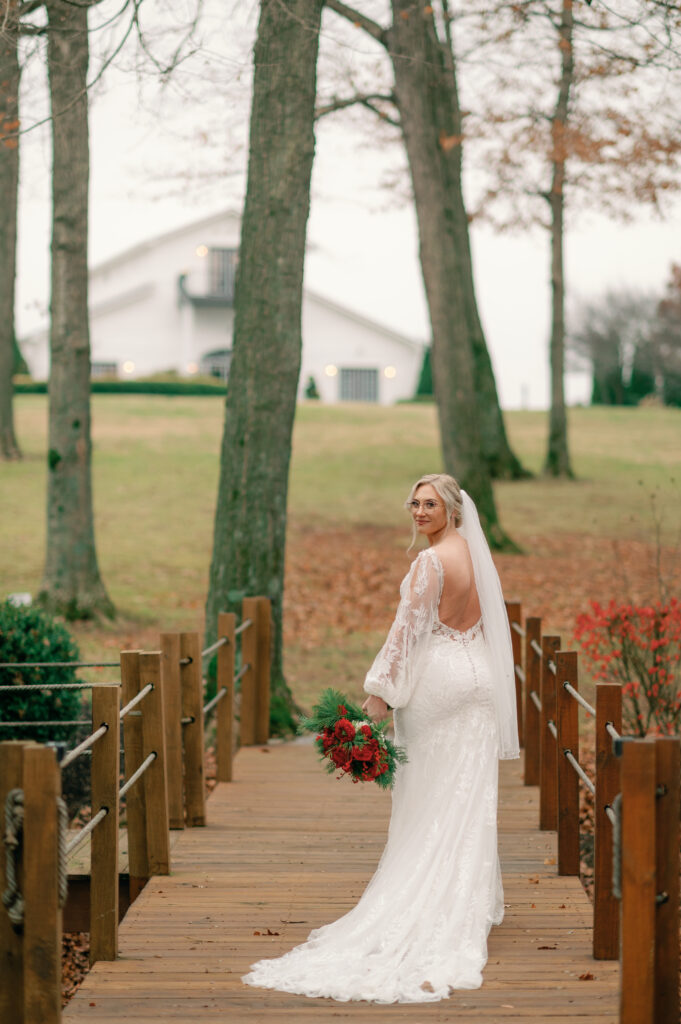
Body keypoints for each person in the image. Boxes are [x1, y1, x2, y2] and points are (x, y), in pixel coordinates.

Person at [242, 473, 519, 1004]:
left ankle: (430, 902)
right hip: (479, 681)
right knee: (466, 795)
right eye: (414, 503)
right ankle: (466, 899)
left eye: (430, 504)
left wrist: (378, 696)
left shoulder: (430, 563)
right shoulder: (476, 557)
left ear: (453, 510)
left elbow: (406, 634)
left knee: (427, 796)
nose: (418, 511)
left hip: (438, 685)